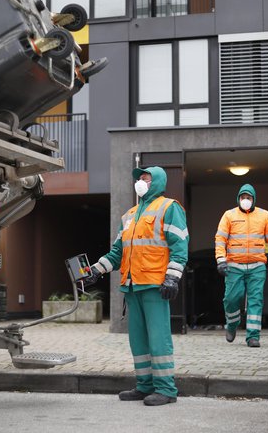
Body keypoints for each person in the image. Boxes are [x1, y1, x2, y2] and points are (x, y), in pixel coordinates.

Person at [84, 166, 189, 406]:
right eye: (140, 179)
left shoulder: (169, 207)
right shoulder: (130, 215)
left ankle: (166, 389)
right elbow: (117, 253)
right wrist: (95, 271)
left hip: (154, 285)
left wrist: (172, 277)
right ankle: (144, 386)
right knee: (138, 340)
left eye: (146, 178)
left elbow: (179, 246)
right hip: (132, 286)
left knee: (158, 338)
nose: (141, 182)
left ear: (158, 182)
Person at [214, 184, 268, 348]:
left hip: (257, 266)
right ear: (238, 199)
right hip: (234, 265)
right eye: (242, 197)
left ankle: (253, 336)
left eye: (248, 198)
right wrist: (221, 260)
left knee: (255, 300)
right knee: (231, 299)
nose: (245, 200)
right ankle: (232, 324)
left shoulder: (264, 215)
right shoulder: (229, 215)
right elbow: (220, 239)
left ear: (254, 199)